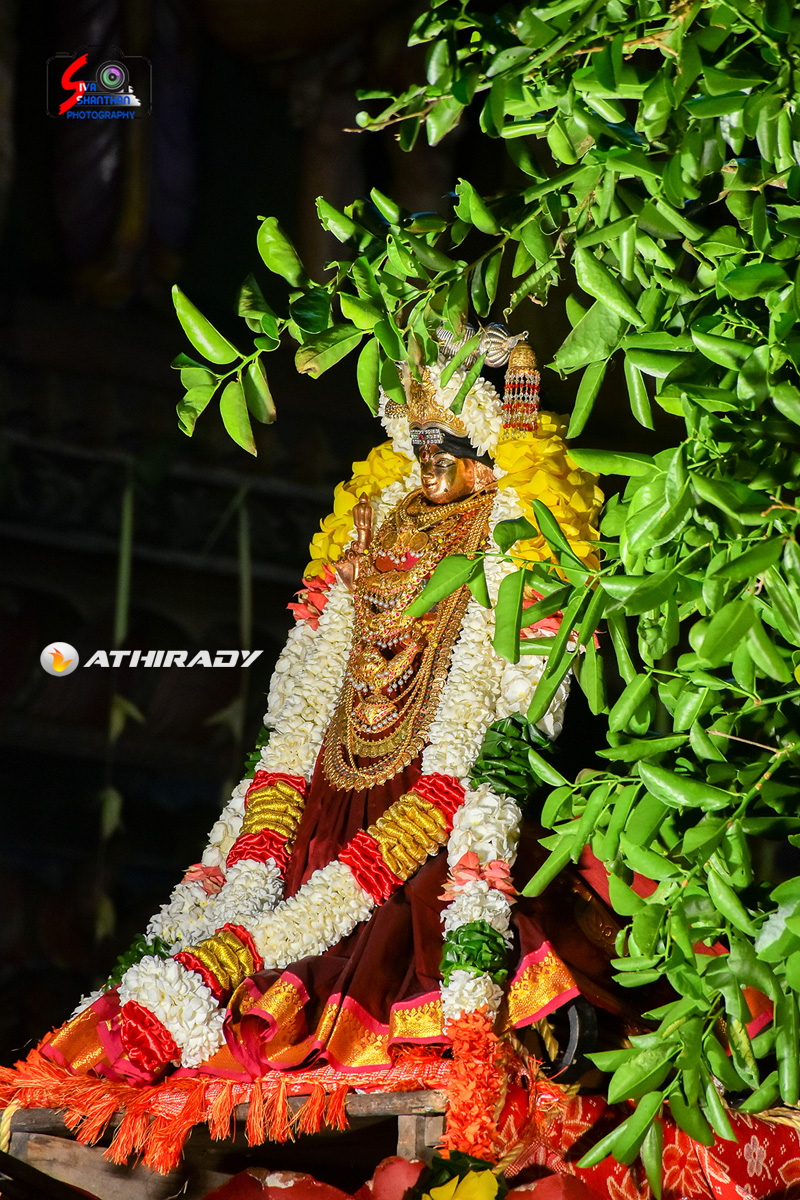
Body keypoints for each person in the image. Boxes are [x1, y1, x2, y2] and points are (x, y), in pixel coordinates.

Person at [4, 330, 621, 1165]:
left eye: (448, 443)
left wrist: (481, 799)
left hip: (436, 788)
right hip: (329, 784)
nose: (429, 459)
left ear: (485, 447)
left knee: (439, 919)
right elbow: (313, 671)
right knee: (254, 919)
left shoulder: (513, 530)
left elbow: (524, 685)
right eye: (418, 440)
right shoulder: (376, 516)